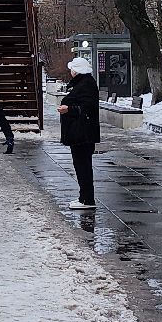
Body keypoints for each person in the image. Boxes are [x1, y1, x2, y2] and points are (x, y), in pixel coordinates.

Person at [58, 57, 100, 209]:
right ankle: (84, 197)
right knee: (81, 166)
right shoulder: (84, 84)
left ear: (76, 71)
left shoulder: (86, 85)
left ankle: (87, 200)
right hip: (80, 134)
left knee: (83, 167)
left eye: (72, 69)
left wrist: (68, 109)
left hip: (82, 135)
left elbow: (88, 108)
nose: (70, 72)